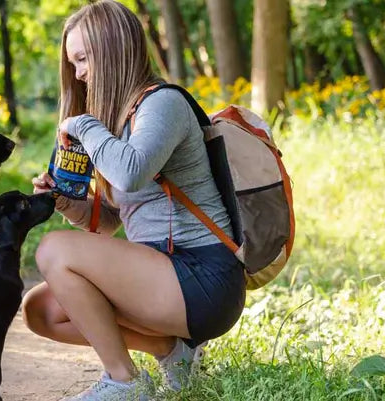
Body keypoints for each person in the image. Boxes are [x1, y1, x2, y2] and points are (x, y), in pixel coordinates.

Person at [22, 1, 246, 400]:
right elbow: (110, 221)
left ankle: (125, 383)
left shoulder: (163, 104)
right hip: (161, 274)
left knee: (53, 248)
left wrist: (82, 124)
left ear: (111, 50)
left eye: (83, 59)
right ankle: (171, 351)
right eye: (72, 64)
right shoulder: (118, 123)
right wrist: (64, 202)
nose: (78, 74)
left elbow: (130, 171)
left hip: (203, 277)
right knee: (41, 311)